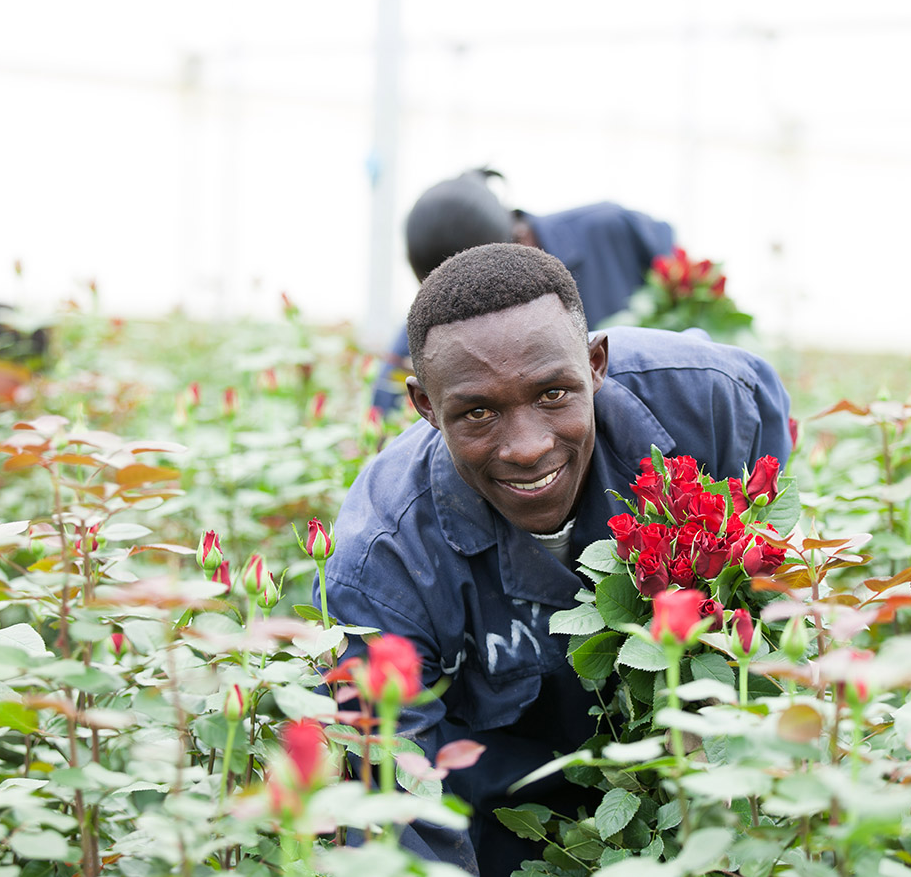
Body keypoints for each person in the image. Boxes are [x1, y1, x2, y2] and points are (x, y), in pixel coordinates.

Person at [321, 243, 791, 876]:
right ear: (426, 406)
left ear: (596, 364)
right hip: (506, 818)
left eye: (553, 394)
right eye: (478, 412)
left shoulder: (707, 402)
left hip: (693, 789)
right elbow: (398, 790)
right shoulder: (387, 557)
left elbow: (769, 532)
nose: (527, 447)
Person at [371, 169, 675, 413]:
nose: (460, 310)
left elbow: (691, 298)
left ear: (517, 241)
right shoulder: (432, 334)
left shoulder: (612, 230)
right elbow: (384, 410)